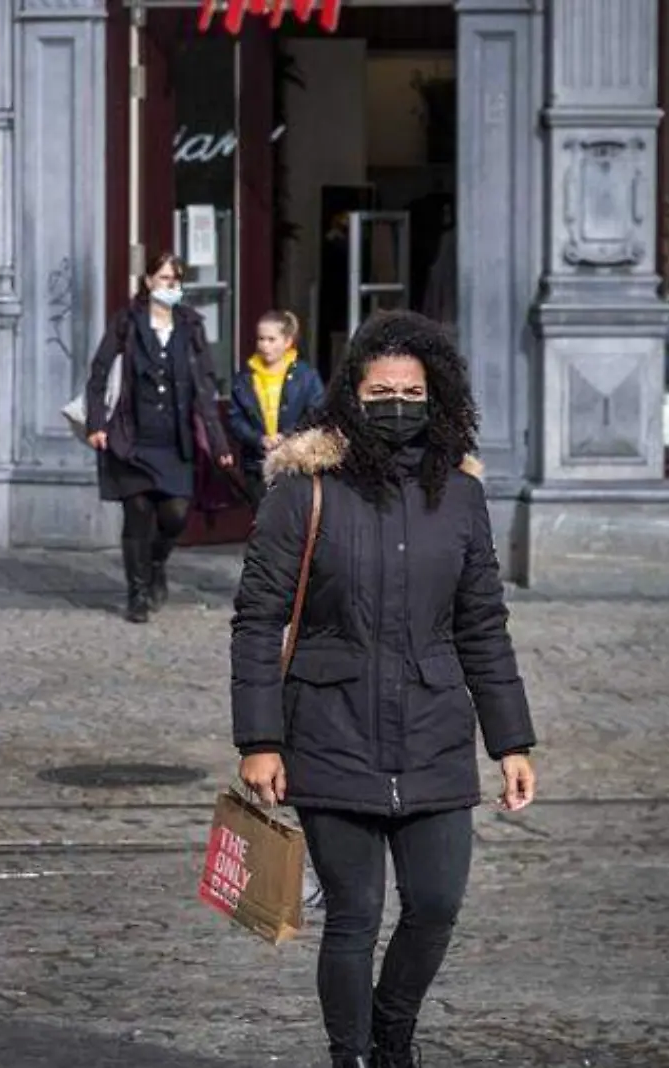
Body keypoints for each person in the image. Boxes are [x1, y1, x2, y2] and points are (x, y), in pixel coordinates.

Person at [230, 310, 538, 1068]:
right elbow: (256, 619)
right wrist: (259, 739)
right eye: (380, 389)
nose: (397, 402)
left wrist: (513, 741)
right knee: (355, 916)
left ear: (438, 399)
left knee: (435, 906)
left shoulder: (461, 497)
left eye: (411, 389)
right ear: (351, 396)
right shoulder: (305, 491)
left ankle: (392, 1031)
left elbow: (483, 625)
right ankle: (354, 1055)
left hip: (434, 732)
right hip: (330, 729)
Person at [83, 251, 234, 623]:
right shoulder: (127, 322)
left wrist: (219, 443)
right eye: (165, 279)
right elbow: (100, 372)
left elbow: (204, 386)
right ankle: (137, 593)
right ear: (149, 281)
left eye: (176, 280)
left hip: (175, 439)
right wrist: (96, 424)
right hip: (132, 436)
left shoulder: (190, 325)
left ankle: (156, 562)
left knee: (175, 514)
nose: (171, 286)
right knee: (136, 511)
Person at [229, 309, 324, 500]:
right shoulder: (246, 377)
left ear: (287, 342)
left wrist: (288, 435)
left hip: (296, 462)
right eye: (261, 339)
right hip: (257, 464)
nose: (265, 345)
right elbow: (236, 418)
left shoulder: (305, 376)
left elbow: (317, 412)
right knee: (263, 519)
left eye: (271, 340)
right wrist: (259, 439)